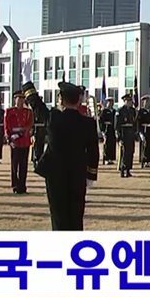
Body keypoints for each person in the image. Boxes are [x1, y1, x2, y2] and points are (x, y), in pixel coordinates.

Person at [24, 81, 99, 231]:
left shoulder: (54, 118)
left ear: (61, 99)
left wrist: (28, 86)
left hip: (55, 174)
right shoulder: (88, 123)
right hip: (78, 174)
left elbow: (37, 106)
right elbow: (93, 152)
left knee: (59, 217)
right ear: (78, 101)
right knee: (76, 217)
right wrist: (91, 175)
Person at [4, 90, 33, 194]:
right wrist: (9, 137)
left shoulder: (28, 112)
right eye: (18, 98)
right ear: (15, 99)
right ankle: (15, 184)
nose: (20, 101)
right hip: (14, 140)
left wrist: (23, 132)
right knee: (15, 163)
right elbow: (6, 125)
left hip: (24, 140)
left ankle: (22, 185)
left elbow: (29, 124)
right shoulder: (10, 111)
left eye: (22, 99)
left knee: (23, 164)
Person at [115, 94, 138, 177]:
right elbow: (117, 125)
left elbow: (134, 122)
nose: (129, 102)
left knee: (130, 151)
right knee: (124, 152)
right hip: (123, 132)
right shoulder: (120, 110)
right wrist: (119, 136)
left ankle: (128, 169)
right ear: (124, 101)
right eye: (128, 101)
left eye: (130, 101)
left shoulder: (132, 110)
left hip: (130, 133)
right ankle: (122, 169)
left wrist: (135, 132)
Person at [137, 95, 150, 168]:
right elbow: (138, 122)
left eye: (148, 101)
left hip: (149, 129)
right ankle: (143, 160)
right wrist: (140, 132)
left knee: (149, 145)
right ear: (143, 102)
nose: (147, 103)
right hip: (143, 129)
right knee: (143, 145)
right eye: (146, 101)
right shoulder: (141, 111)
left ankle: (148, 160)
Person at [99, 98, 118, 165]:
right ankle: (106, 158)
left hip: (112, 129)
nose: (111, 103)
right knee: (106, 144)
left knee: (112, 143)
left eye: (112, 102)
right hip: (106, 128)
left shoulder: (114, 111)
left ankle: (111, 158)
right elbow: (101, 121)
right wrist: (102, 131)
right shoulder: (104, 111)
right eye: (109, 102)